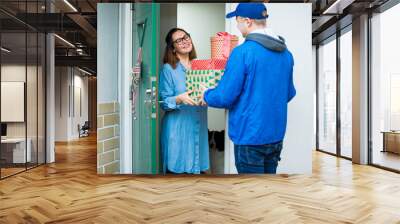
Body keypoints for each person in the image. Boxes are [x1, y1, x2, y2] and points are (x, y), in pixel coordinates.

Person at [200, 3, 296, 174]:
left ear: (248, 21)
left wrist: (206, 94)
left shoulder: (242, 52)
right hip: (275, 136)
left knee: (251, 195)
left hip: (250, 137)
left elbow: (224, 97)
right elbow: (288, 93)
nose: (237, 26)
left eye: (237, 21)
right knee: (267, 191)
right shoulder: (286, 55)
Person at [159, 28, 209, 174]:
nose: (185, 41)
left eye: (186, 37)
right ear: (173, 48)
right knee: (177, 172)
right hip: (178, 128)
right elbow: (163, 101)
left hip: (199, 124)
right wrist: (179, 99)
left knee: (198, 173)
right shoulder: (168, 69)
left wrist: (208, 96)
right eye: (179, 40)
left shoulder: (201, 66)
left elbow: (208, 90)